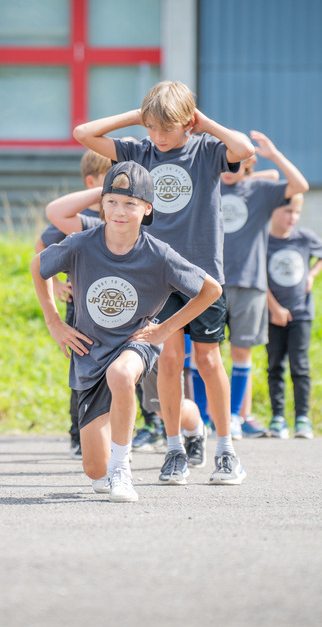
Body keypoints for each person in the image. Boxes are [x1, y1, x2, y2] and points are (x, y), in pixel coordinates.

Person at [73, 80, 255, 486]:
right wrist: (138, 117)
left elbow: (243, 150)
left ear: (188, 123)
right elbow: (84, 134)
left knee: (208, 361)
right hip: (157, 280)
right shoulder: (140, 152)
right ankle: (175, 448)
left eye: (164, 128)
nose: (156, 137)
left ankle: (226, 449)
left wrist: (206, 125)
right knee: (169, 362)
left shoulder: (206, 150)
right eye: (151, 128)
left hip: (203, 276)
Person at [32, 161, 221, 502]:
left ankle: (123, 470)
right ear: (102, 203)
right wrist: (54, 322)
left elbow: (211, 290)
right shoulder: (80, 244)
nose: (120, 211)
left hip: (137, 344)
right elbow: (38, 264)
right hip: (90, 353)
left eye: (130, 204)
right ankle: (108, 466)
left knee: (122, 375)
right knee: (93, 470)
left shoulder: (159, 255)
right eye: (113, 202)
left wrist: (164, 330)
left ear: (147, 208)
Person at [193, 130, 309, 439]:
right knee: (202, 354)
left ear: (248, 163)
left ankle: (231, 417)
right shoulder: (209, 187)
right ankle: (204, 419)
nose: (227, 171)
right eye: (224, 163)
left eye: (236, 164)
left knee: (242, 353)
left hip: (249, 284)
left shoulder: (260, 190)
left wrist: (273, 156)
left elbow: (300, 186)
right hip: (209, 284)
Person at [34, 150, 111, 459]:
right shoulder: (80, 221)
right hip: (80, 308)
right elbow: (42, 247)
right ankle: (78, 434)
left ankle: (138, 429)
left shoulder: (121, 218)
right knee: (83, 371)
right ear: (92, 182)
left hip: (116, 307)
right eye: (111, 177)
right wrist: (54, 282)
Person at [264, 194, 322, 439]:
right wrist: (274, 308)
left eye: (296, 212)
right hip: (273, 316)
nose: (292, 217)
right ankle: (278, 418)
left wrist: (312, 274)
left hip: (302, 313)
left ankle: (302, 418)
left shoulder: (304, 238)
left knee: (300, 366)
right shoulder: (263, 241)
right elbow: (259, 279)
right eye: (287, 212)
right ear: (273, 211)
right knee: (274, 366)